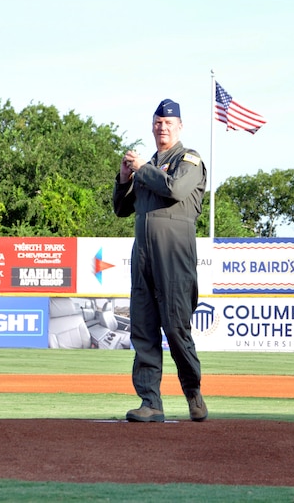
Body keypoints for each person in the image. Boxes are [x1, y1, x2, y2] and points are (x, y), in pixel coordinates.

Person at [113, 98, 208, 423]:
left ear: (179, 127)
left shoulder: (189, 159)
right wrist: (125, 177)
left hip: (175, 255)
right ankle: (150, 402)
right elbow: (121, 209)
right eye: (157, 122)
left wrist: (142, 169)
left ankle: (193, 392)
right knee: (143, 329)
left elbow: (175, 189)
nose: (162, 127)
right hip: (144, 257)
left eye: (168, 123)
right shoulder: (146, 165)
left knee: (177, 327)